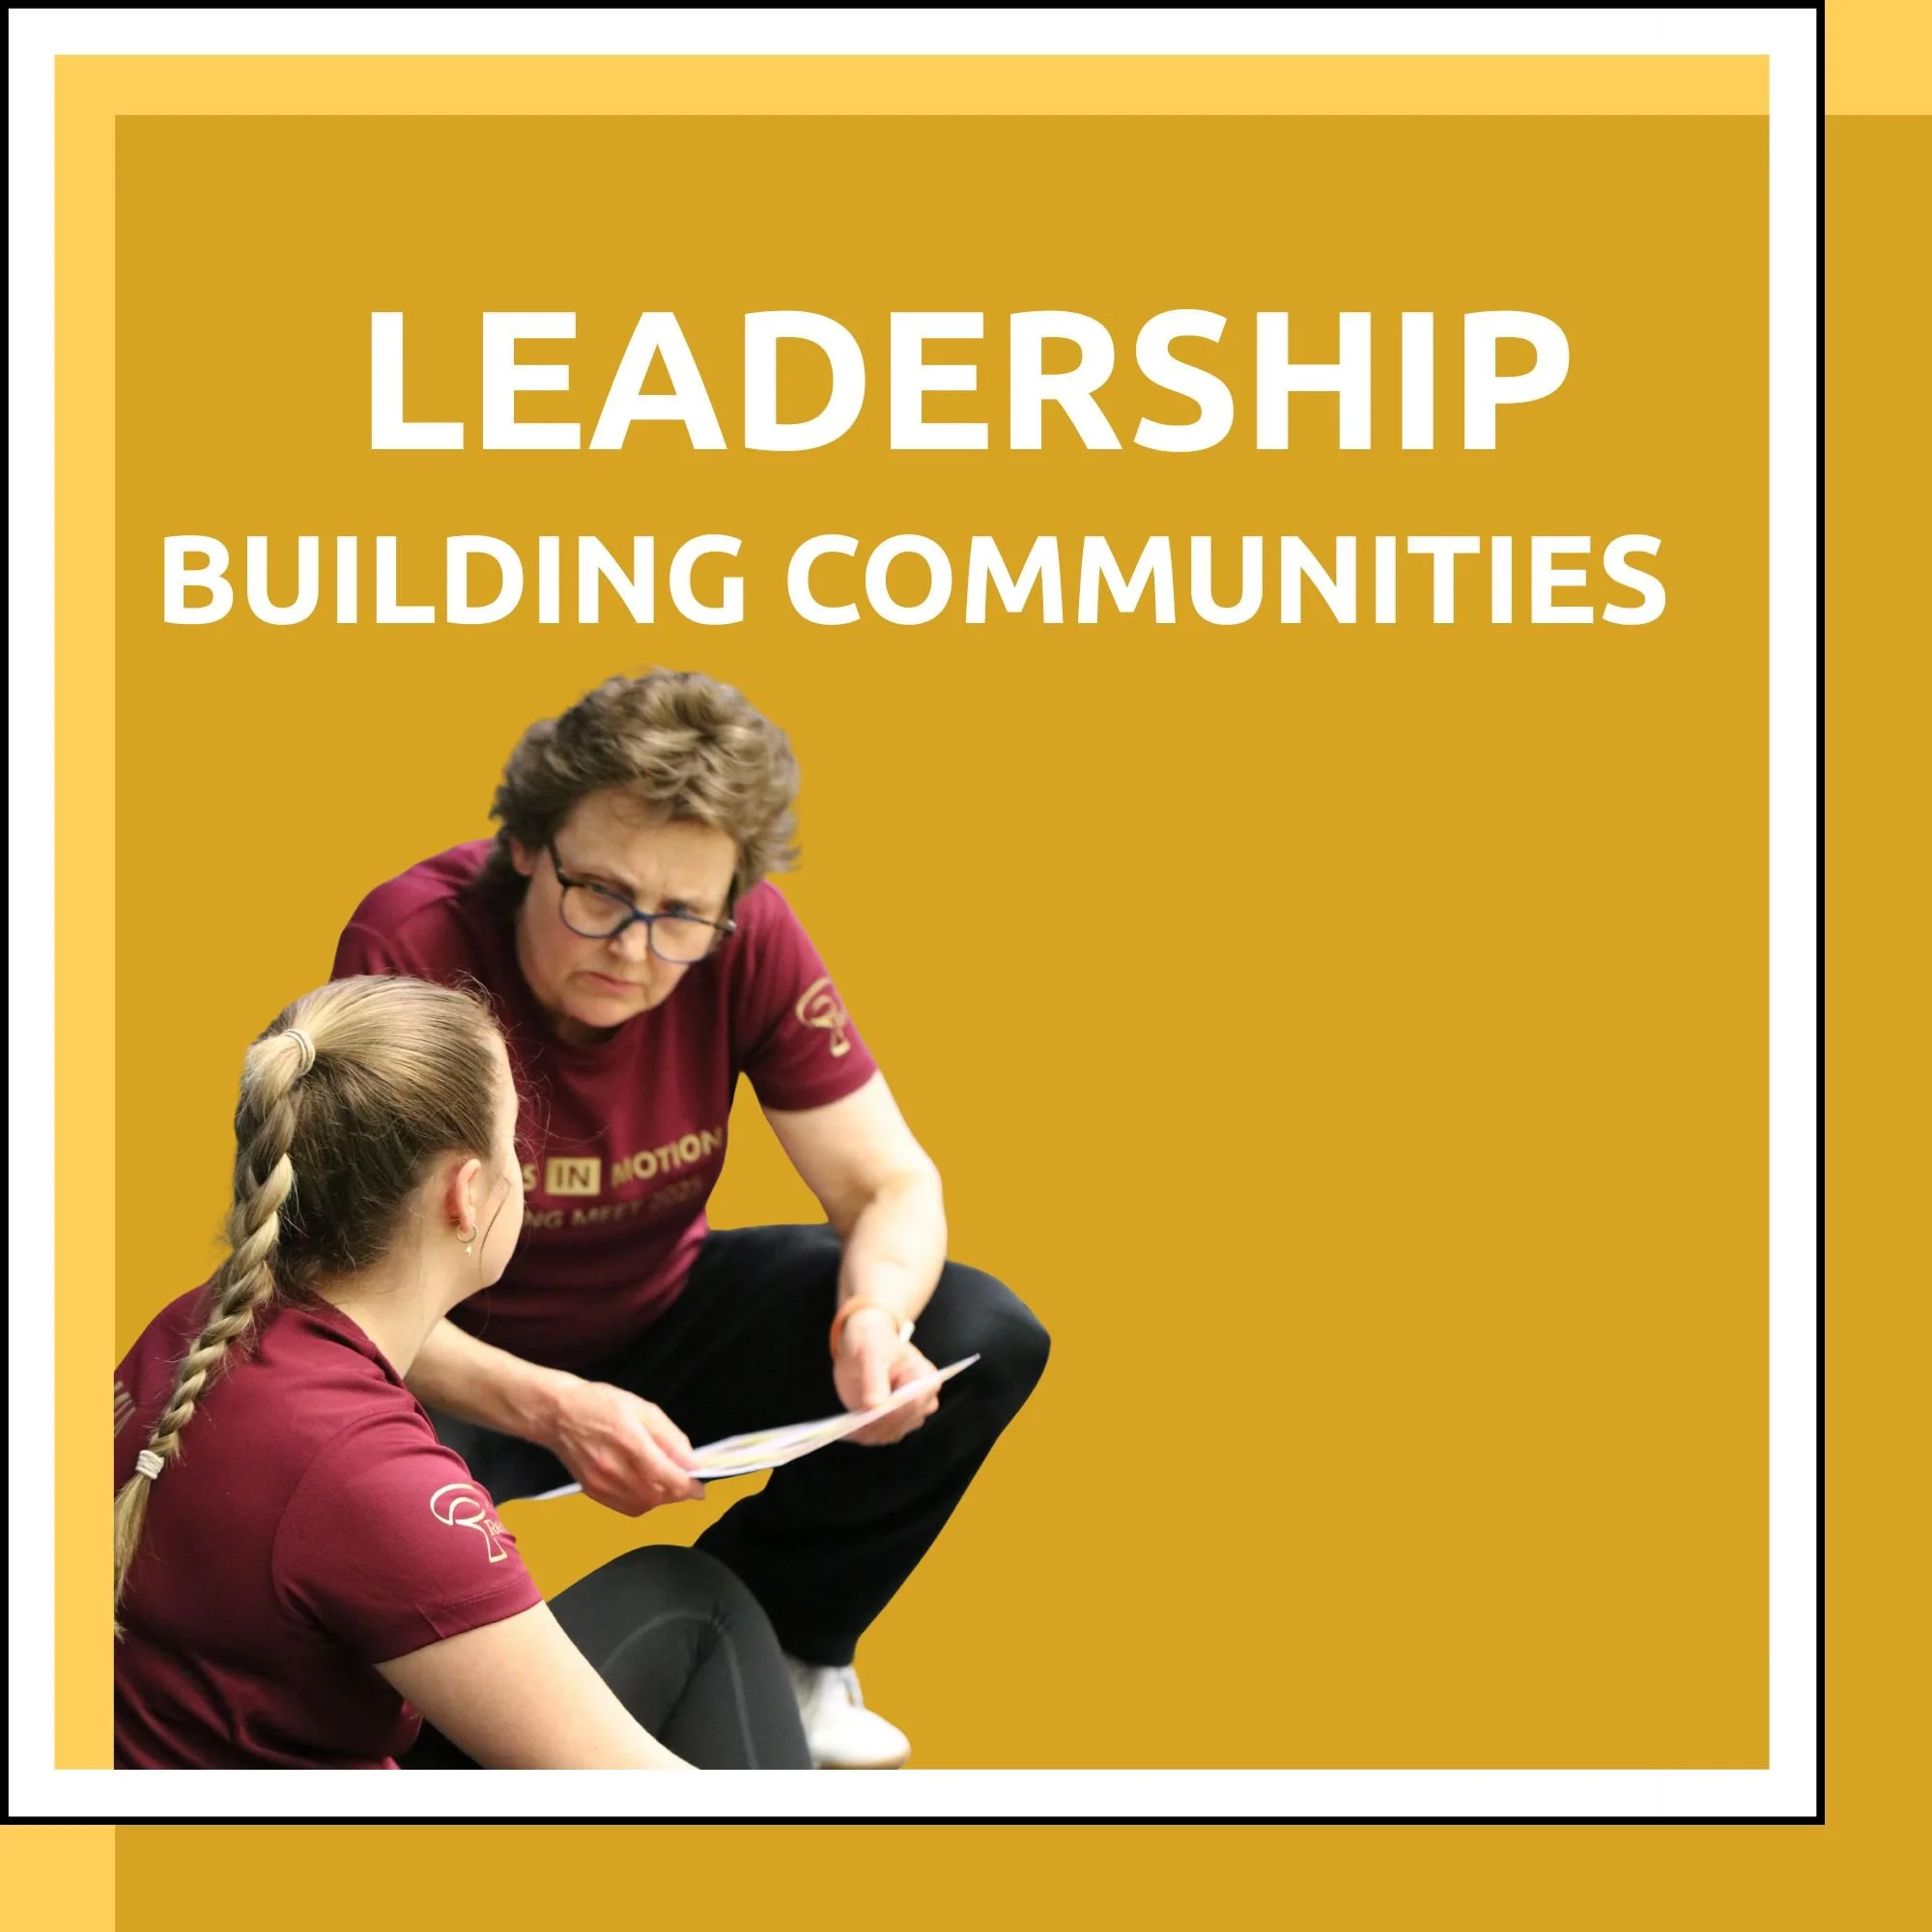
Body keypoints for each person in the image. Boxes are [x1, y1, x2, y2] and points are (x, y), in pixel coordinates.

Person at [331, 669, 1050, 1768]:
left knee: (979, 1332)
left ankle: (783, 1644)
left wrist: (871, 1316)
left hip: (654, 1312)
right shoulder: (411, 945)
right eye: (599, 894)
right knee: (333, 1481)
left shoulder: (746, 934)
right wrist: (556, 1406)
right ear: (527, 844)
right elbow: (347, 1290)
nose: (631, 947)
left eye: (679, 917)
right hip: (448, 1351)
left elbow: (887, 1183)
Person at [113, 976, 811, 1770]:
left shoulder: (200, 1321)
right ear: (467, 1195)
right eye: (514, 1140)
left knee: (695, 1602)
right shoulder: (371, 1479)